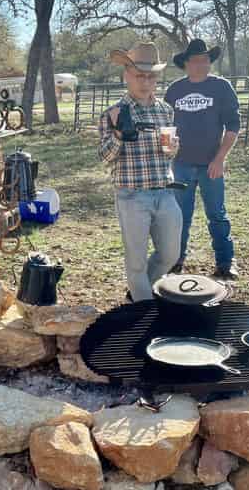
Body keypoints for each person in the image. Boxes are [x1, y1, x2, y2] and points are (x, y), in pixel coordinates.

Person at [99, 42, 182, 302]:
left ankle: (139, 292)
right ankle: (144, 312)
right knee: (135, 262)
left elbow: (169, 153)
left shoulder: (165, 111)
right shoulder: (113, 113)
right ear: (126, 75)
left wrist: (173, 150)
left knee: (170, 254)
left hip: (165, 192)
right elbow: (105, 157)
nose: (145, 82)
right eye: (139, 76)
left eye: (151, 76)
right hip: (131, 195)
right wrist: (119, 135)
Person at [164, 39, 241, 280]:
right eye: (196, 60)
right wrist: (167, 155)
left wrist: (220, 158)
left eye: (206, 60)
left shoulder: (221, 87)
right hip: (181, 164)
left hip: (211, 164)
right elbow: (166, 127)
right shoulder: (175, 90)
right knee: (180, 216)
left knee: (217, 213)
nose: (202, 64)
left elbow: (233, 125)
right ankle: (175, 259)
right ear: (186, 64)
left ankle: (226, 262)